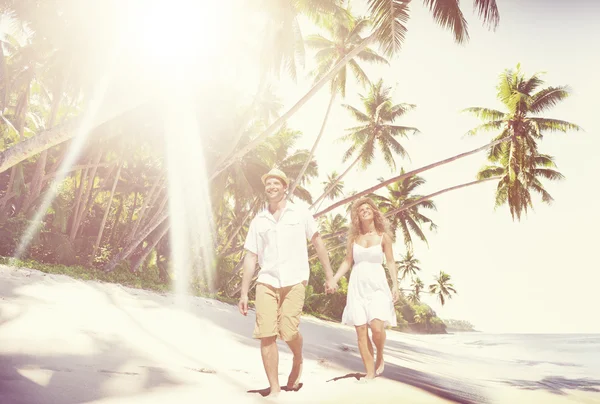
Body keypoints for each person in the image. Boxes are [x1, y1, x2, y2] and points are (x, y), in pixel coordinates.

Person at [238, 167, 336, 397]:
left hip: (295, 281)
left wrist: (330, 275)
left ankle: (298, 357)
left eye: (276, 183)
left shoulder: (300, 213)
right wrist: (244, 293)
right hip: (267, 281)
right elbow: (251, 257)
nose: (271, 187)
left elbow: (318, 244)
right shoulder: (258, 221)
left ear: (285, 187)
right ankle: (274, 388)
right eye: (268, 184)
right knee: (266, 334)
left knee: (289, 331)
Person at [328, 196, 399, 380]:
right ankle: (369, 373)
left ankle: (380, 354)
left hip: (377, 286)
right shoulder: (354, 239)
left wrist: (395, 285)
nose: (365, 210)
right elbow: (347, 262)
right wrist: (334, 279)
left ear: (374, 212)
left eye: (368, 208)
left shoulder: (384, 237)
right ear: (357, 216)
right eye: (361, 210)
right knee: (360, 331)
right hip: (357, 287)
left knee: (376, 328)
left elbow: (390, 261)